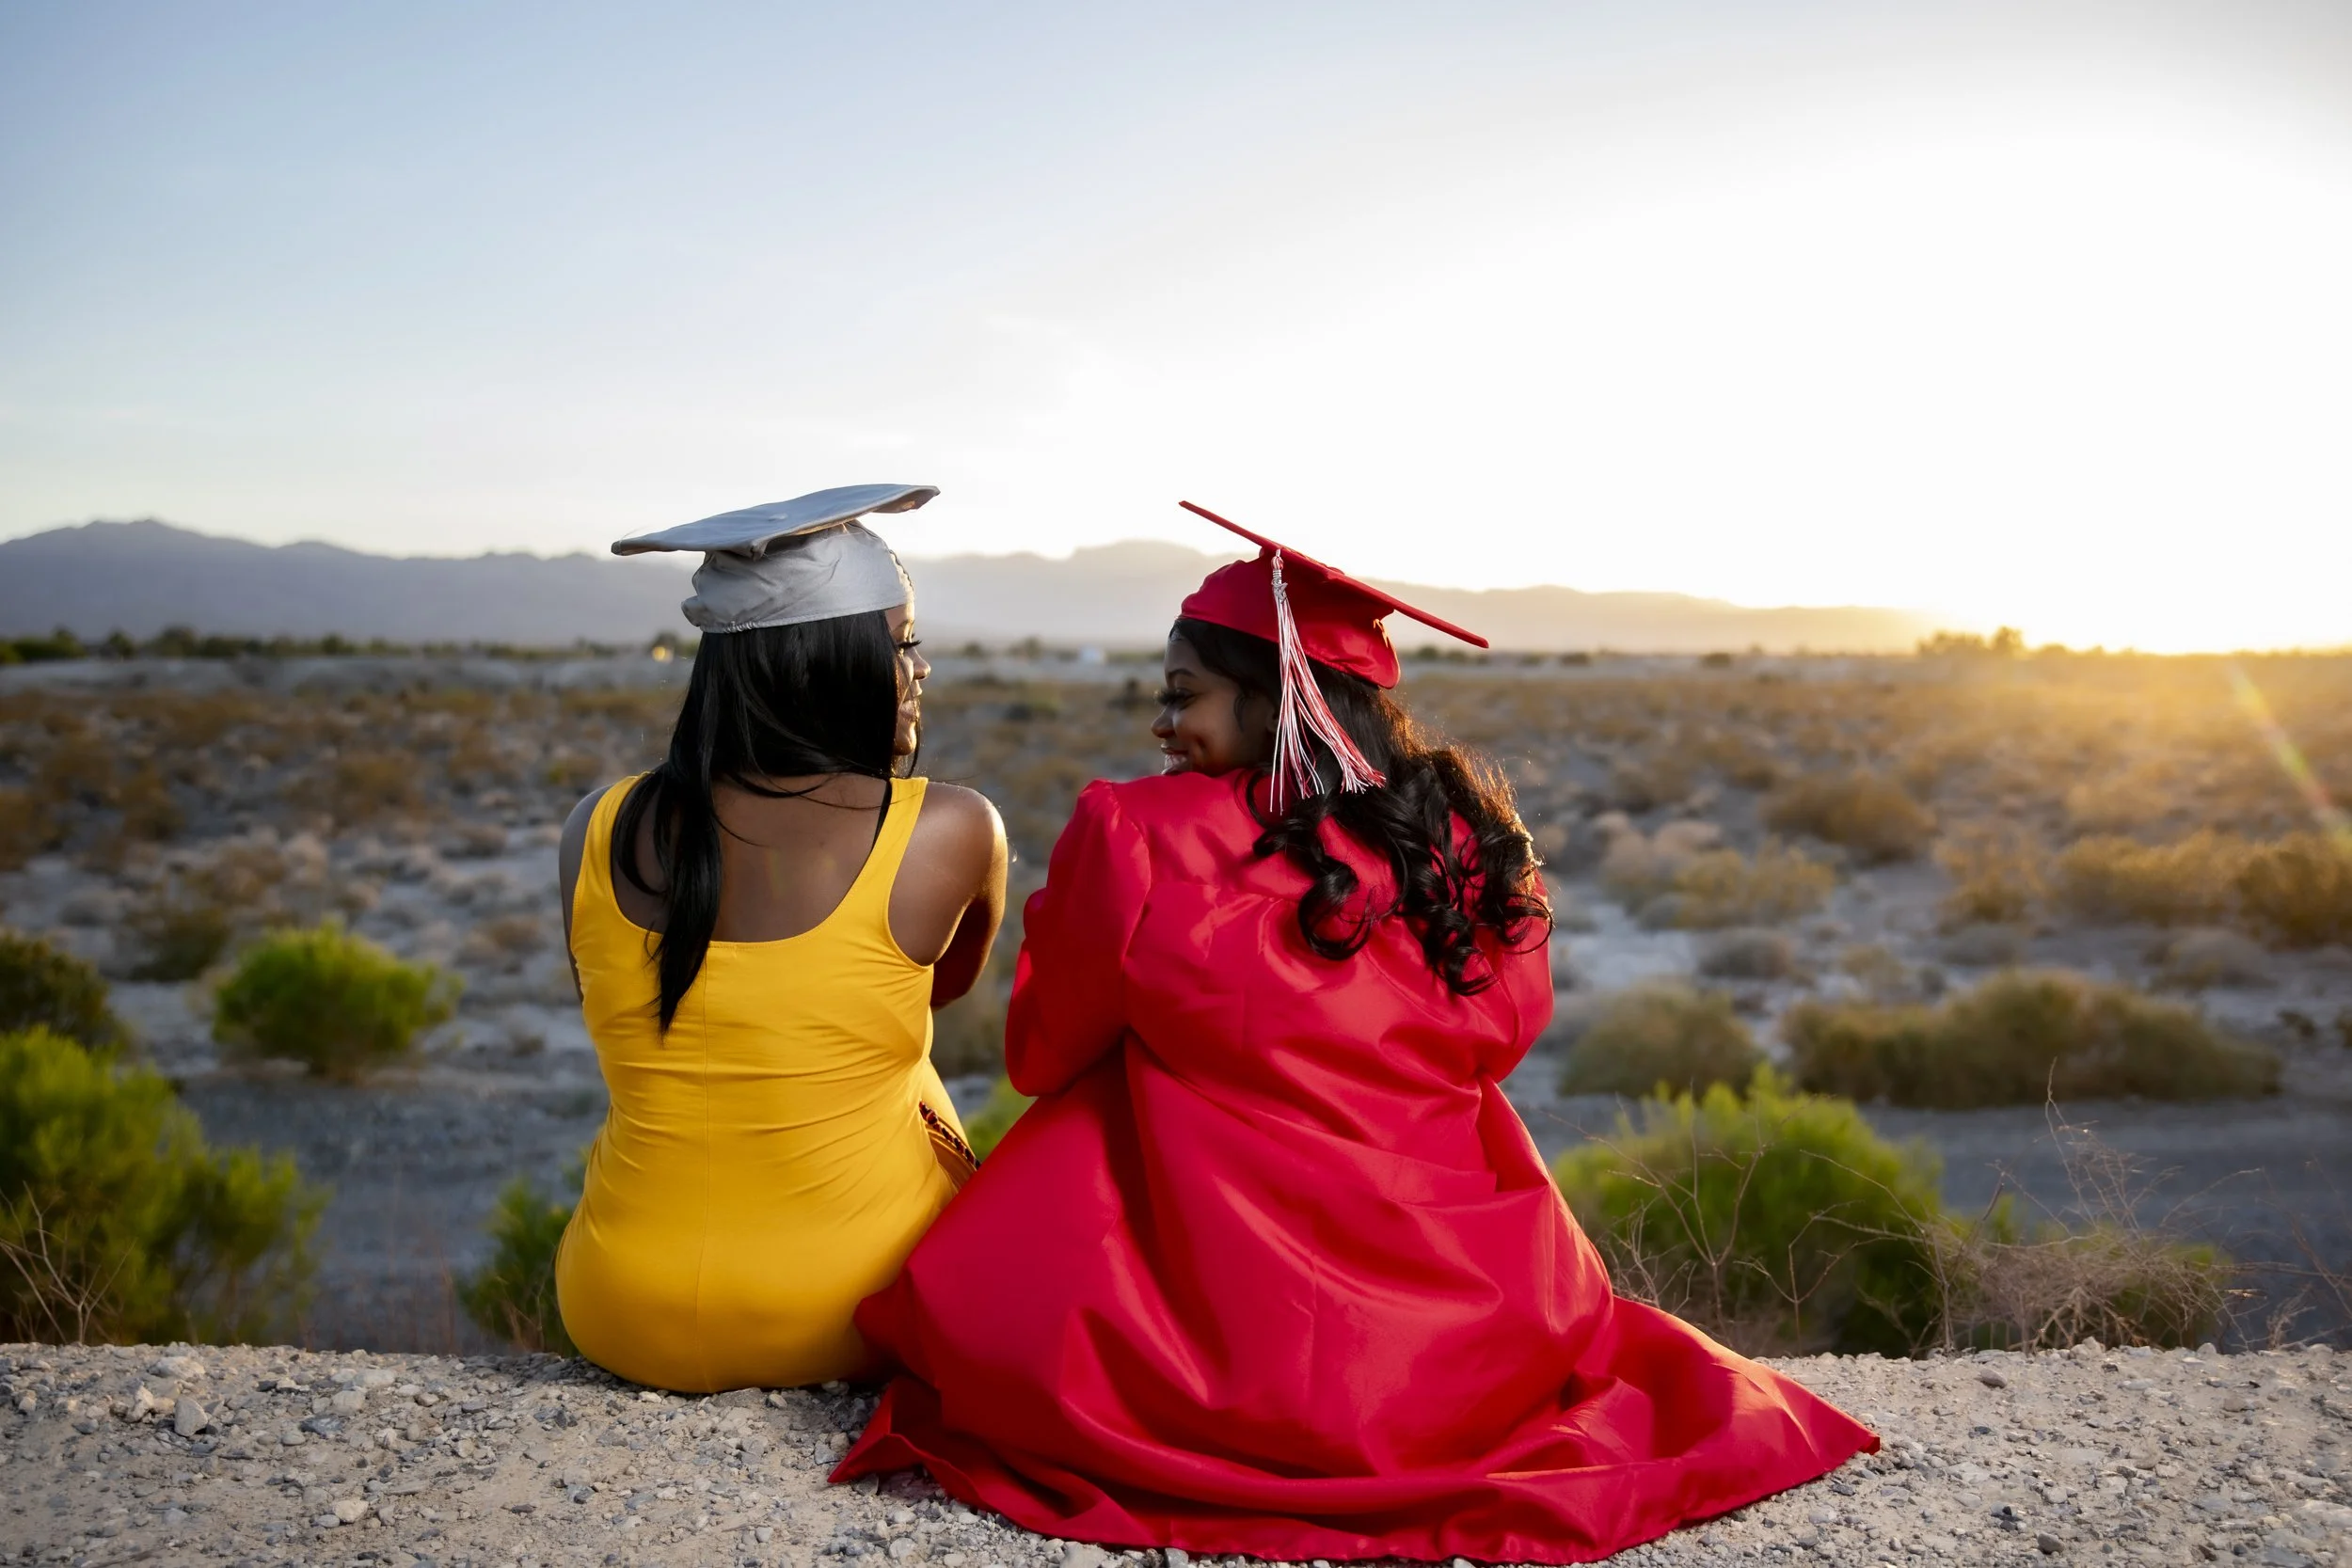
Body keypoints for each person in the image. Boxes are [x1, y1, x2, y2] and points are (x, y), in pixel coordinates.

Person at [833, 502, 1874, 1563]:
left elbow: (1040, 1054)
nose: (1161, 725)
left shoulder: (1137, 830)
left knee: (1100, 1087)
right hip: (1459, 1338)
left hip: (1207, 1331)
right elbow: (1502, 1038)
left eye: (1183, 695)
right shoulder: (1465, 833)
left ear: (1282, 697)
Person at [553, 483, 1008, 1394]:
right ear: (827, 661)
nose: (919, 670)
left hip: (614, 1303)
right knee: (896, 1056)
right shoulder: (950, 827)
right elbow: (943, 991)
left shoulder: (592, 824)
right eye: (901, 643)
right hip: (837, 1314)